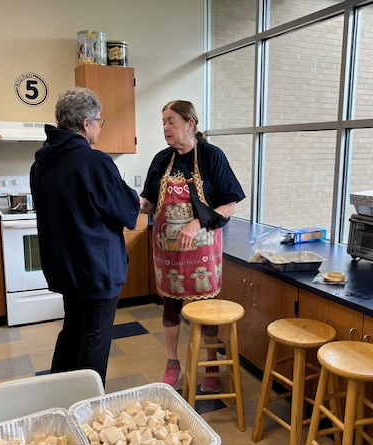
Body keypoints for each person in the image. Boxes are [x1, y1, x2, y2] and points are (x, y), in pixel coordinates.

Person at [30, 87, 140, 386]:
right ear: (86, 123)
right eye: (99, 121)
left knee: (72, 332)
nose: (100, 128)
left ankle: (59, 394)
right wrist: (135, 198)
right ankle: (88, 405)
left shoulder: (41, 163)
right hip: (96, 269)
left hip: (65, 268)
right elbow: (125, 210)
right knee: (94, 338)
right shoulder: (94, 162)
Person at [139, 100, 245, 391]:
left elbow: (230, 205)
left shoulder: (212, 156)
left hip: (202, 250)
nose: (165, 127)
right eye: (163, 122)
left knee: (206, 309)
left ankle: (210, 365)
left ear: (190, 124)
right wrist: (134, 203)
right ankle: (172, 364)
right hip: (168, 252)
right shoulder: (162, 159)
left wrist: (197, 223)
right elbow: (149, 203)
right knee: (170, 307)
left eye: (171, 121)